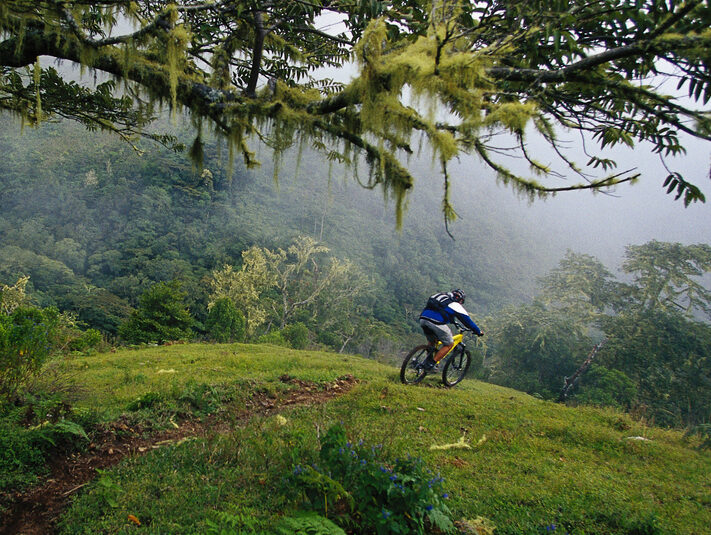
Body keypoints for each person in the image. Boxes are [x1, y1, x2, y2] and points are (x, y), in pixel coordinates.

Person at [419, 289, 483, 370]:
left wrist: (452, 321)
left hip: (423, 319)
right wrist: (478, 331)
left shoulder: (441, 297)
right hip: (435, 322)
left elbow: (441, 311)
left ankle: (426, 360)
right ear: (460, 300)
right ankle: (431, 364)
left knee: (432, 341)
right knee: (449, 344)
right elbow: (468, 322)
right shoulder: (455, 305)